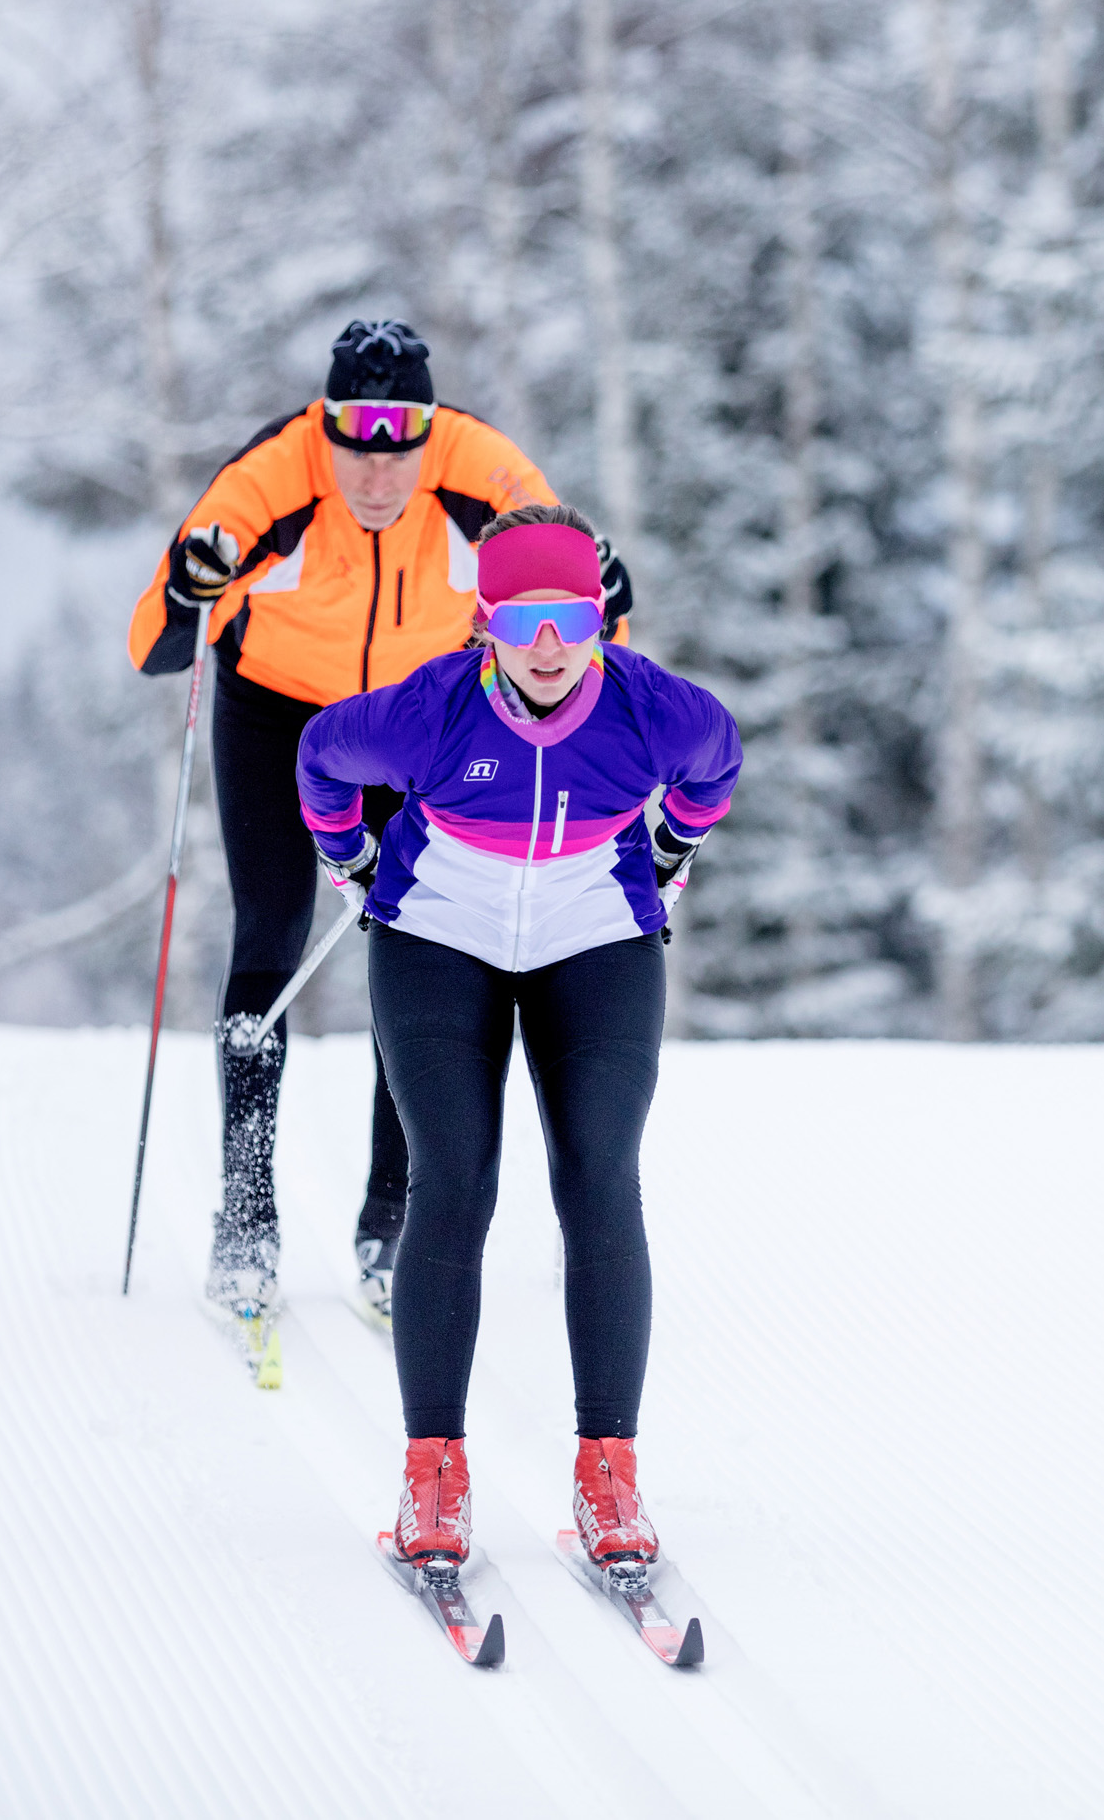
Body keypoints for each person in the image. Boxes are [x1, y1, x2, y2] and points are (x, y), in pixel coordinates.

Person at [128, 320, 629, 1326]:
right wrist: (190, 590)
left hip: (415, 717)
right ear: (326, 425)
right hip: (275, 711)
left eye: (397, 442)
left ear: (428, 430)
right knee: (269, 928)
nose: (374, 470)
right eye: (354, 440)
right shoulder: (272, 476)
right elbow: (155, 643)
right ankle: (247, 1216)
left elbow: (577, 617)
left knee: (423, 943)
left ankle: (390, 1222)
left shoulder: (486, 475)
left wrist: (611, 597)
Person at [291, 505, 738, 1571]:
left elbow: (716, 763)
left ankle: (608, 1474)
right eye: (525, 617)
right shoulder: (430, 711)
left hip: (595, 935)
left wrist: (669, 846)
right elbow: (319, 754)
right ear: (485, 620)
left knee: (599, 1172)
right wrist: (349, 860)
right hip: (441, 934)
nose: (548, 644)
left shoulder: (652, 711)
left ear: (598, 621)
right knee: (453, 1175)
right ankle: (432, 1474)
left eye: (571, 616)